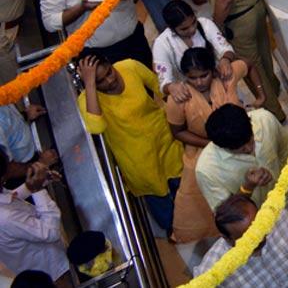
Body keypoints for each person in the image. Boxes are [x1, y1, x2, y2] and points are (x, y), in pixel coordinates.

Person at [76, 52, 183, 233]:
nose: (109, 81)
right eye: (100, 81)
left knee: (186, 191)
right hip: (139, 163)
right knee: (166, 212)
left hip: (166, 143)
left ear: (111, 63)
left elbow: (160, 87)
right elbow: (96, 127)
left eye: (109, 72)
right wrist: (90, 85)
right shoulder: (87, 99)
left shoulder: (130, 67)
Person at [164, 47, 258, 243]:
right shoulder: (178, 99)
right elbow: (178, 132)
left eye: (204, 76)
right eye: (192, 78)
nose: (199, 82)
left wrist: (260, 96)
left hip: (240, 142)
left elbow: (248, 64)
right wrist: (212, 143)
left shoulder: (224, 78)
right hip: (203, 152)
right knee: (204, 199)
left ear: (213, 70)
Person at [195, 103, 288, 215]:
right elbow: (227, 217)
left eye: (250, 139)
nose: (249, 148)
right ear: (221, 146)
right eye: (240, 148)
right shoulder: (207, 170)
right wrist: (247, 187)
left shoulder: (264, 120)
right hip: (266, 224)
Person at [196, 196, 288, 288]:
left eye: (260, 226)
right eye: (249, 237)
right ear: (227, 238)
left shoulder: (280, 218)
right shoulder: (211, 269)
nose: (260, 237)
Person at [153, 0, 249, 100]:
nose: (192, 29)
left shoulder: (205, 24)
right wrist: (171, 87)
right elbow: (164, 81)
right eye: (184, 29)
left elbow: (226, 48)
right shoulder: (162, 44)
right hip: (192, 97)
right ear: (172, 29)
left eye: (194, 22)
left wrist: (225, 59)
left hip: (221, 85)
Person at [0, 153, 70, 286]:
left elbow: (10, 199)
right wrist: (37, 190)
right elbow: (50, 232)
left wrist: (33, 184)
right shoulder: (6, 218)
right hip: (53, 272)